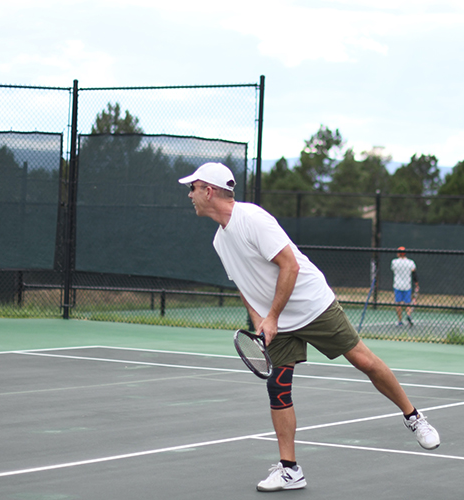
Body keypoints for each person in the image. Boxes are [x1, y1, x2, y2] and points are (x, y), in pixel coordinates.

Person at [178, 162, 440, 492]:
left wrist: (271, 316)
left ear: (209, 191)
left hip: (311, 304)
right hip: (277, 319)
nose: (190, 195)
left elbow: (289, 264)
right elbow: (244, 284)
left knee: (363, 360)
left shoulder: (253, 219)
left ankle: (413, 416)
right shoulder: (220, 241)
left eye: (193, 188)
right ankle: (290, 470)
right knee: (278, 387)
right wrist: (259, 319)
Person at [391, 247, 417, 326]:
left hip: (397, 285)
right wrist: (416, 283)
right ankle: (409, 316)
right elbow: (414, 272)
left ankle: (400, 321)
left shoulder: (394, 262)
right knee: (408, 303)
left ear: (399, 253)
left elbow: (393, 270)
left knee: (398, 303)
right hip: (407, 286)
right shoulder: (410, 262)